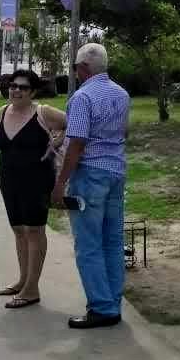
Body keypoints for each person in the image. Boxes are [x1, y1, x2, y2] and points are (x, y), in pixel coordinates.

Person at [53, 42, 131, 329]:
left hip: (90, 175)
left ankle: (101, 307)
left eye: (75, 67)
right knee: (112, 240)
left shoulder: (82, 97)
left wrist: (61, 183)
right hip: (116, 171)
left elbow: (77, 144)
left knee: (88, 244)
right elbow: (124, 131)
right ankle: (112, 301)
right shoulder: (121, 94)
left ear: (83, 68)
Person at [0, 69, 66, 308]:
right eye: (13, 86)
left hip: (37, 180)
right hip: (9, 180)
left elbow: (73, 124)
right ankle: (23, 281)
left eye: (22, 87)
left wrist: (57, 141)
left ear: (32, 91)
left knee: (34, 232)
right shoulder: (1, 112)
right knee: (19, 231)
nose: (16, 90)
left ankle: (32, 289)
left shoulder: (43, 113)